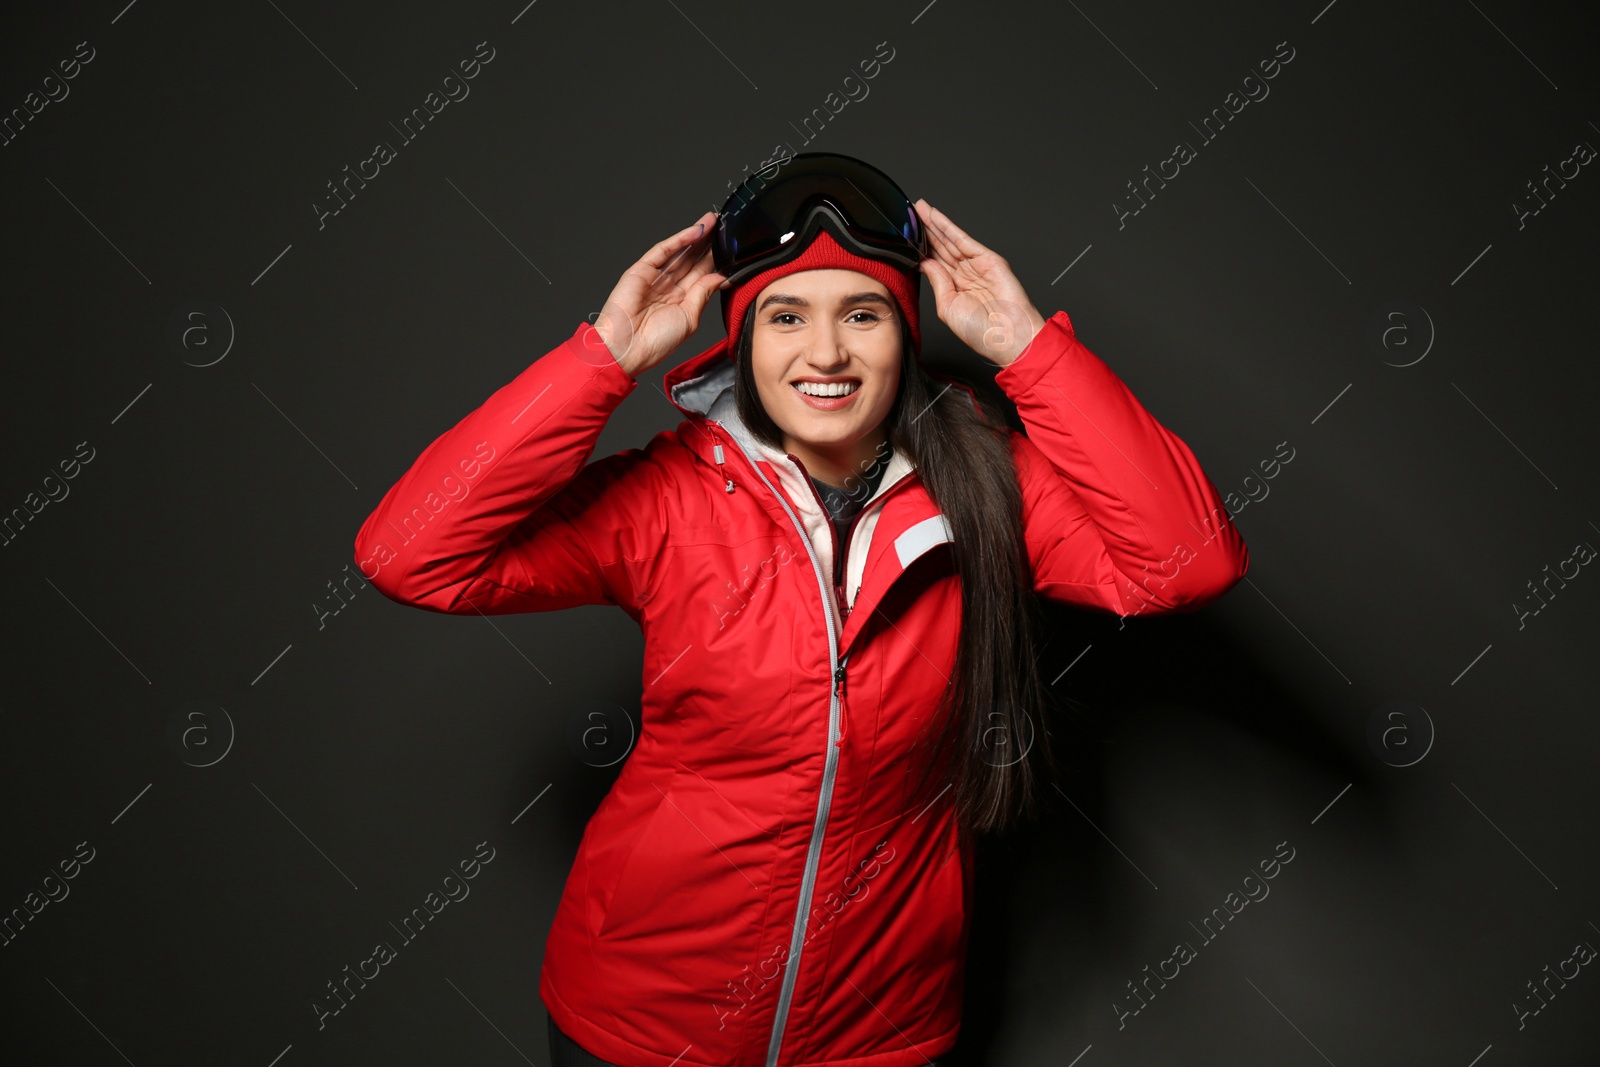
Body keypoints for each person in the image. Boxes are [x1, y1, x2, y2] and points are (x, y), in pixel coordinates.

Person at [353, 153, 1249, 1067]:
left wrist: (1026, 345)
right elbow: (409, 553)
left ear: (905, 333)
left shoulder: (988, 487)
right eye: (786, 317)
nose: (825, 354)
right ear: (743, 340)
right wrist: (603, 358)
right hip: (642, 1024)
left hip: (878, 1032)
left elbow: (1188, 563)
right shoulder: (667, 499)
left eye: (862, 314)